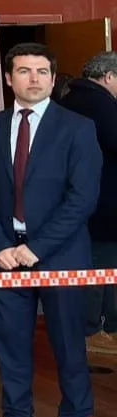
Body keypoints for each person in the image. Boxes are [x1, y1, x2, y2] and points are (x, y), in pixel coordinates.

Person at [0, 42, 99, 417]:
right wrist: (0, 244)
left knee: (69, 348)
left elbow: (83, 198)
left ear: (54, 78)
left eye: (42, 71)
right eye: (24, 71)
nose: (34, 79)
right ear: (9, 79)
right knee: (10, 346)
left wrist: (36, 248)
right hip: (5, 256)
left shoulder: (78, 128)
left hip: (60, 255)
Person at [54, 51, 117, 354]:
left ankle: (98, 328)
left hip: (80, 201)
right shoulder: (100, 104)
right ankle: (96, 329)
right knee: (102, 265)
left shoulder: (69, 99)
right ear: (109, 76)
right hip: (104, 202)